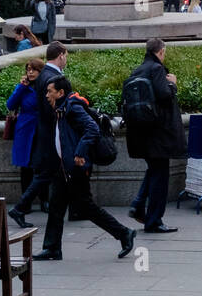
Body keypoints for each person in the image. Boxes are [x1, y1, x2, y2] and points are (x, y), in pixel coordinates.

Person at [31, 75, 137, 261]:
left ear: (60, 92)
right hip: (64, 168)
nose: (47, 95)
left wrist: (79, 153)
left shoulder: (73, 108)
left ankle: (124, 233)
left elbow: (92, 129)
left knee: (86, 207)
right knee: (56, 206)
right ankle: (52, 248)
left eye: (50, 91)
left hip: (76, 168)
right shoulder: (62, 108)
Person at [125, 38, 186, 234]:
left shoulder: (137, 70)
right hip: (159, 133)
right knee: (160, 177)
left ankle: (138, 204)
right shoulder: (157, 69)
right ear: (160, 52)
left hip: (141, 132)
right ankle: (154, 221)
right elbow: (164, 95)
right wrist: (173, 85)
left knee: (153, 170)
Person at [6, 59, 49, 216]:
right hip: (25, 131)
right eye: (28, 69)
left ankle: (45, 199)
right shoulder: (24, 88)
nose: (30, 72)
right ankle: (26, 202)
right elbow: (10, 105)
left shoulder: (46, 86)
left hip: (41, 130)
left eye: (34, 70)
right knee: (26, 168)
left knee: (42, 166)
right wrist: (21, 87)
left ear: (40, 72)